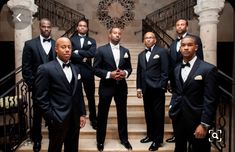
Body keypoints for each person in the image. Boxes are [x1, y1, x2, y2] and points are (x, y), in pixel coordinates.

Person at [34, 37, 86, 152]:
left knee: (73, 148)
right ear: (56, 49)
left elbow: (78, 93)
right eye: (63, 47)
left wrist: (82, 113)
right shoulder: (45, 69)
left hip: (74, 118)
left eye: (69, 47)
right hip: (57, 118)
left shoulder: (76, 68)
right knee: (54, 148)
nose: (67, 50)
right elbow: (40, 98)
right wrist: (51, 117)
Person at [168, 35, 218, 152]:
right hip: (179, 117)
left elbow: (210, 99)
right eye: (183, 45)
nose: (186, 48)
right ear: (180, 49)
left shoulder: (208, 69)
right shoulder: (176, 69)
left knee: (200, 149)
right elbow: (177, 91)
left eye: (189, 45)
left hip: (197, 120)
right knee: (179, 148)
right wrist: (172, 106)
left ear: (196, 47)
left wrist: (204, 124)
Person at [93, 27, 133, 151]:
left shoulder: (125, 51)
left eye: (119, 33)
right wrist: (109, 74)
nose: (117, 35)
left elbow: (129, 68)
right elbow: (95, 69)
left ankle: (124, 139)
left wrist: (125, 73)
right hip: (106, 87)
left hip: (121, 87)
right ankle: (100, 141)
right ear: (109, 35)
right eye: (115, 33)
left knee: (122, 114)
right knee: (102, 114)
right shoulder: (101, 50)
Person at [166, 18, 204, 143]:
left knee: (190, 106)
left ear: (187, 27)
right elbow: (171, 65)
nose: (179, 27)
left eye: (182, 24)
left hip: (191, 80)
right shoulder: (172, 45)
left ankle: (192, 134)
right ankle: (178, 134)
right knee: (177, 107)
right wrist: (170, 81)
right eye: (177, 25)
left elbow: (200, 61)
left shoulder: (195, 39)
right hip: (177, 81)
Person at [22, 18, 56, 152]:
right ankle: (37, 139)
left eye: (48, 27)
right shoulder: (30, 44)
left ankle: (55, 139)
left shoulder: (56, 44)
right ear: (39, 27)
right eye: (44, 26)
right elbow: (26, 68)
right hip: (38, 89)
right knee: (37, 115)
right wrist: (34, 85)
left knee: (54, 114)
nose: (46, 29)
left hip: (54, 88)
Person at [136, 32, 168, 151]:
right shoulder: (140, 55)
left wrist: (162, 86)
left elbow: (165, 71)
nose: (148, 40)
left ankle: (158, 140)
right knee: (148, 114)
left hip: (157, 89)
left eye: (151, 38)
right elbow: (139, 72)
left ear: (155, 40)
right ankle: (150, 135)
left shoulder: (162, 52)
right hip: (145, 89)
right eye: (146, 38)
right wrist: (139, 88)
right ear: (144, 40)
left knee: (158, 115)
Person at [70, 18, 97, 130]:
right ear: (77, 28)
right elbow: (70, 54)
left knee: (91, 95)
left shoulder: (92, 40)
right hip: (74, 69)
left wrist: (78, 52)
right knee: (76, 94)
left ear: (87, 28)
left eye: (84, 26)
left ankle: (94, 119)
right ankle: (77, 117)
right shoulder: (71, 39)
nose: (82, 27)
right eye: (80, 25)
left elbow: (92, 53)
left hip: (87, 71)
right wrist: (83, 56)